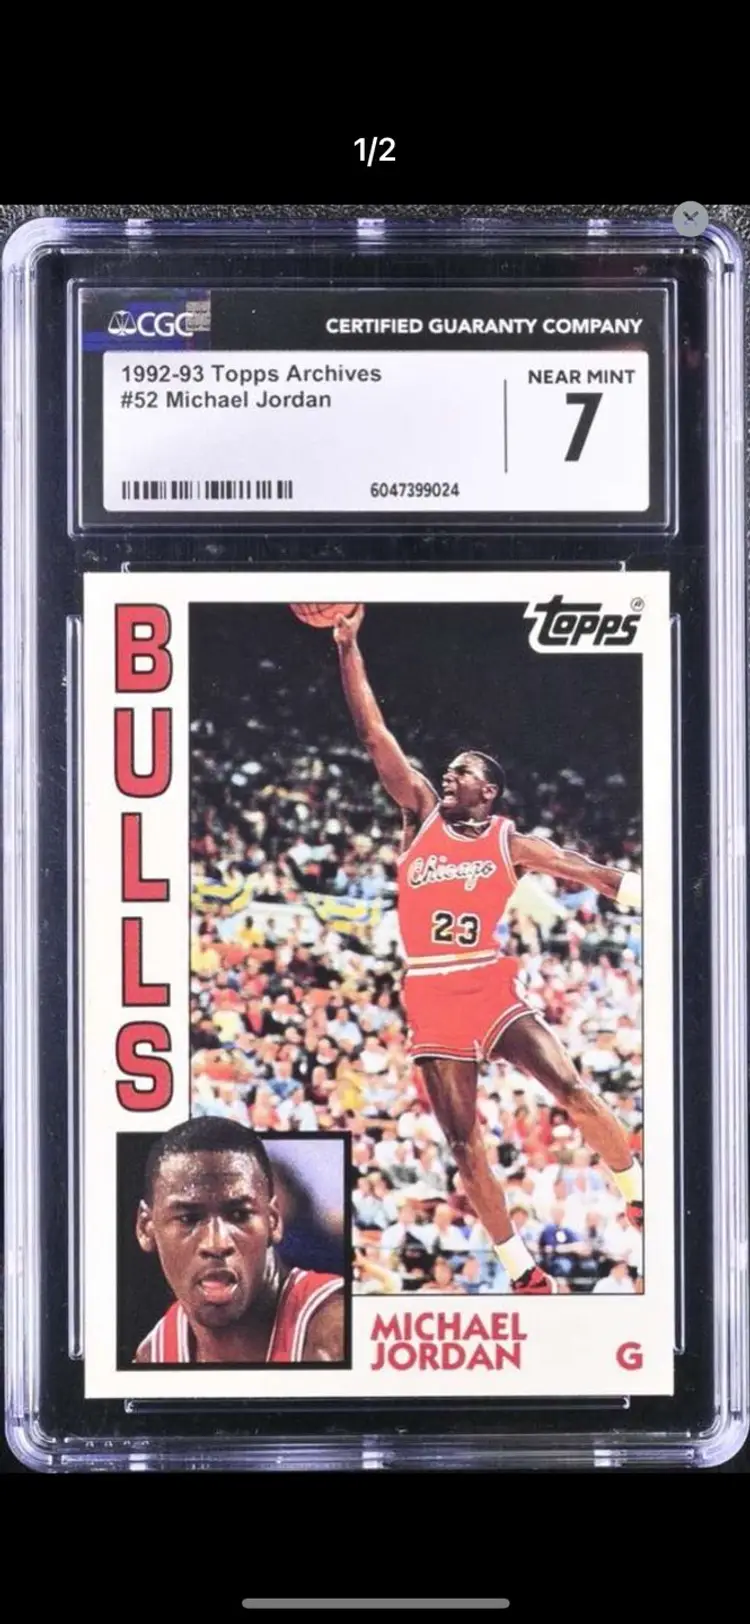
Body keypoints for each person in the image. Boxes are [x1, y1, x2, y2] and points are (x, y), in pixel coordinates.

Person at [334, 605, 643, 1297]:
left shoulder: (511, 841)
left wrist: (661, 896)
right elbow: (373, 734)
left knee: (571, 1088)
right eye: (447, 770)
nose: (448, 776)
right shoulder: (419, 815)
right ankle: (520, 1269)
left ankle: (635, 1190)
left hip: (487, 983)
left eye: (462, 771)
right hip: (431, 991)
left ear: (490, 790)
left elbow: (588, 870)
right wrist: (348, 647)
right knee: (463, 1143)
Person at [133, 1118, 345, 1363]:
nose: (216, 1243)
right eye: (188, 1218)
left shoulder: (334, 1335)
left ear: (274, 1221)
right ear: (146, 1228)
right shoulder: (154, 1354)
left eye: (239, 1215)